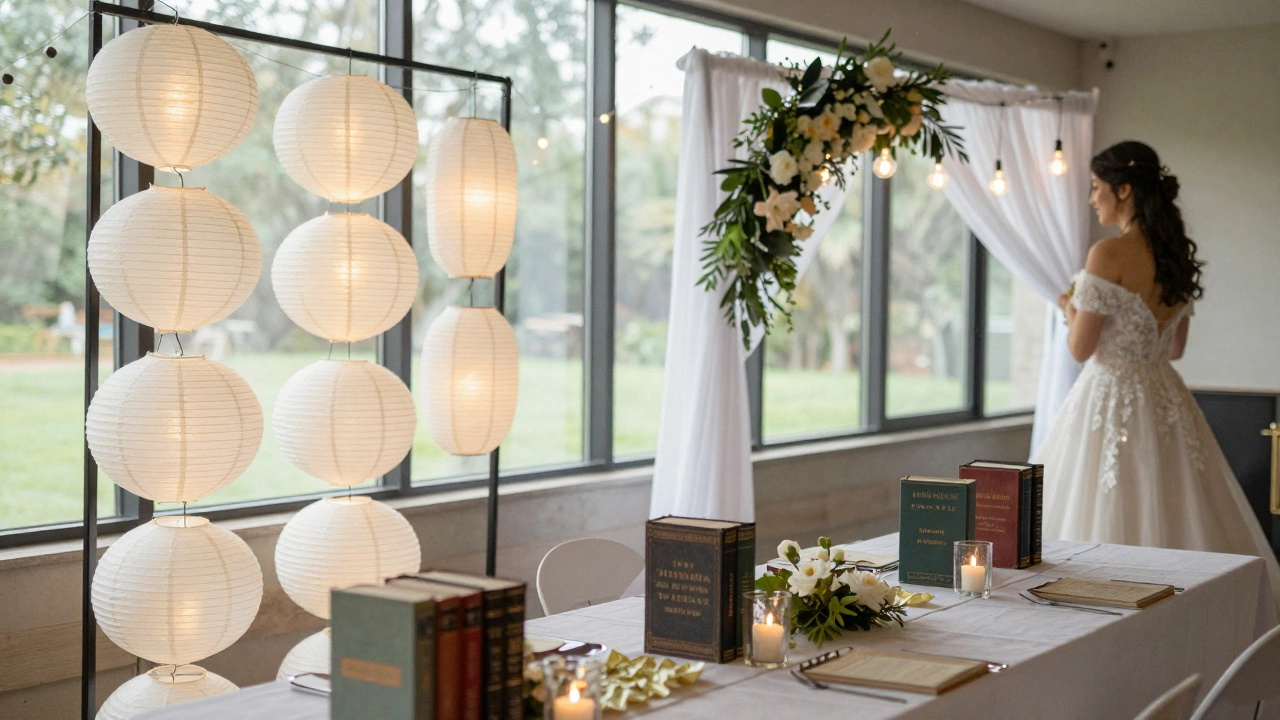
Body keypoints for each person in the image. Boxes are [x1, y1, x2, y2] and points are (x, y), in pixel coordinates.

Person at [1031, 140, 1280, 607]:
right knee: (1177, 501)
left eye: (1095, 187)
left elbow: (1081, 349)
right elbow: (1177, 349)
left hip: (1109, 396)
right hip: (1165, 396)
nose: (1091, 198)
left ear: (1123, 190)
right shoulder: (1175, 257)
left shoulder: (1107, 253)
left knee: (1098, 509)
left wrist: (1069, 307)